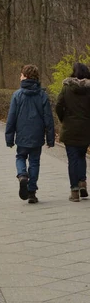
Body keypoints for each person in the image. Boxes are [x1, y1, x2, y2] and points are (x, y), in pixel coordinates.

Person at [5, 64, 55, 204]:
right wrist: (50, 139)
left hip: (22, 134)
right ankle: (32, 192)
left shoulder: (17, 95)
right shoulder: (42, 95)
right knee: (34, 162)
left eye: (21, 74)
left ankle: (22, 175)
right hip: (37, 135)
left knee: (20, 156)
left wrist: (9, 138)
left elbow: (11, 118)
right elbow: (48, 118)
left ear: (25, 76)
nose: (20, 77)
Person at [55, 62, 90, 202]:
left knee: (72, 159)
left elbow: (58, 105)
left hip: (69, 128)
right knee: (82, 156)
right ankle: (83, 183)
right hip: (86, 129)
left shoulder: (66, 88)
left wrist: (63, 118)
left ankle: (74, 190)